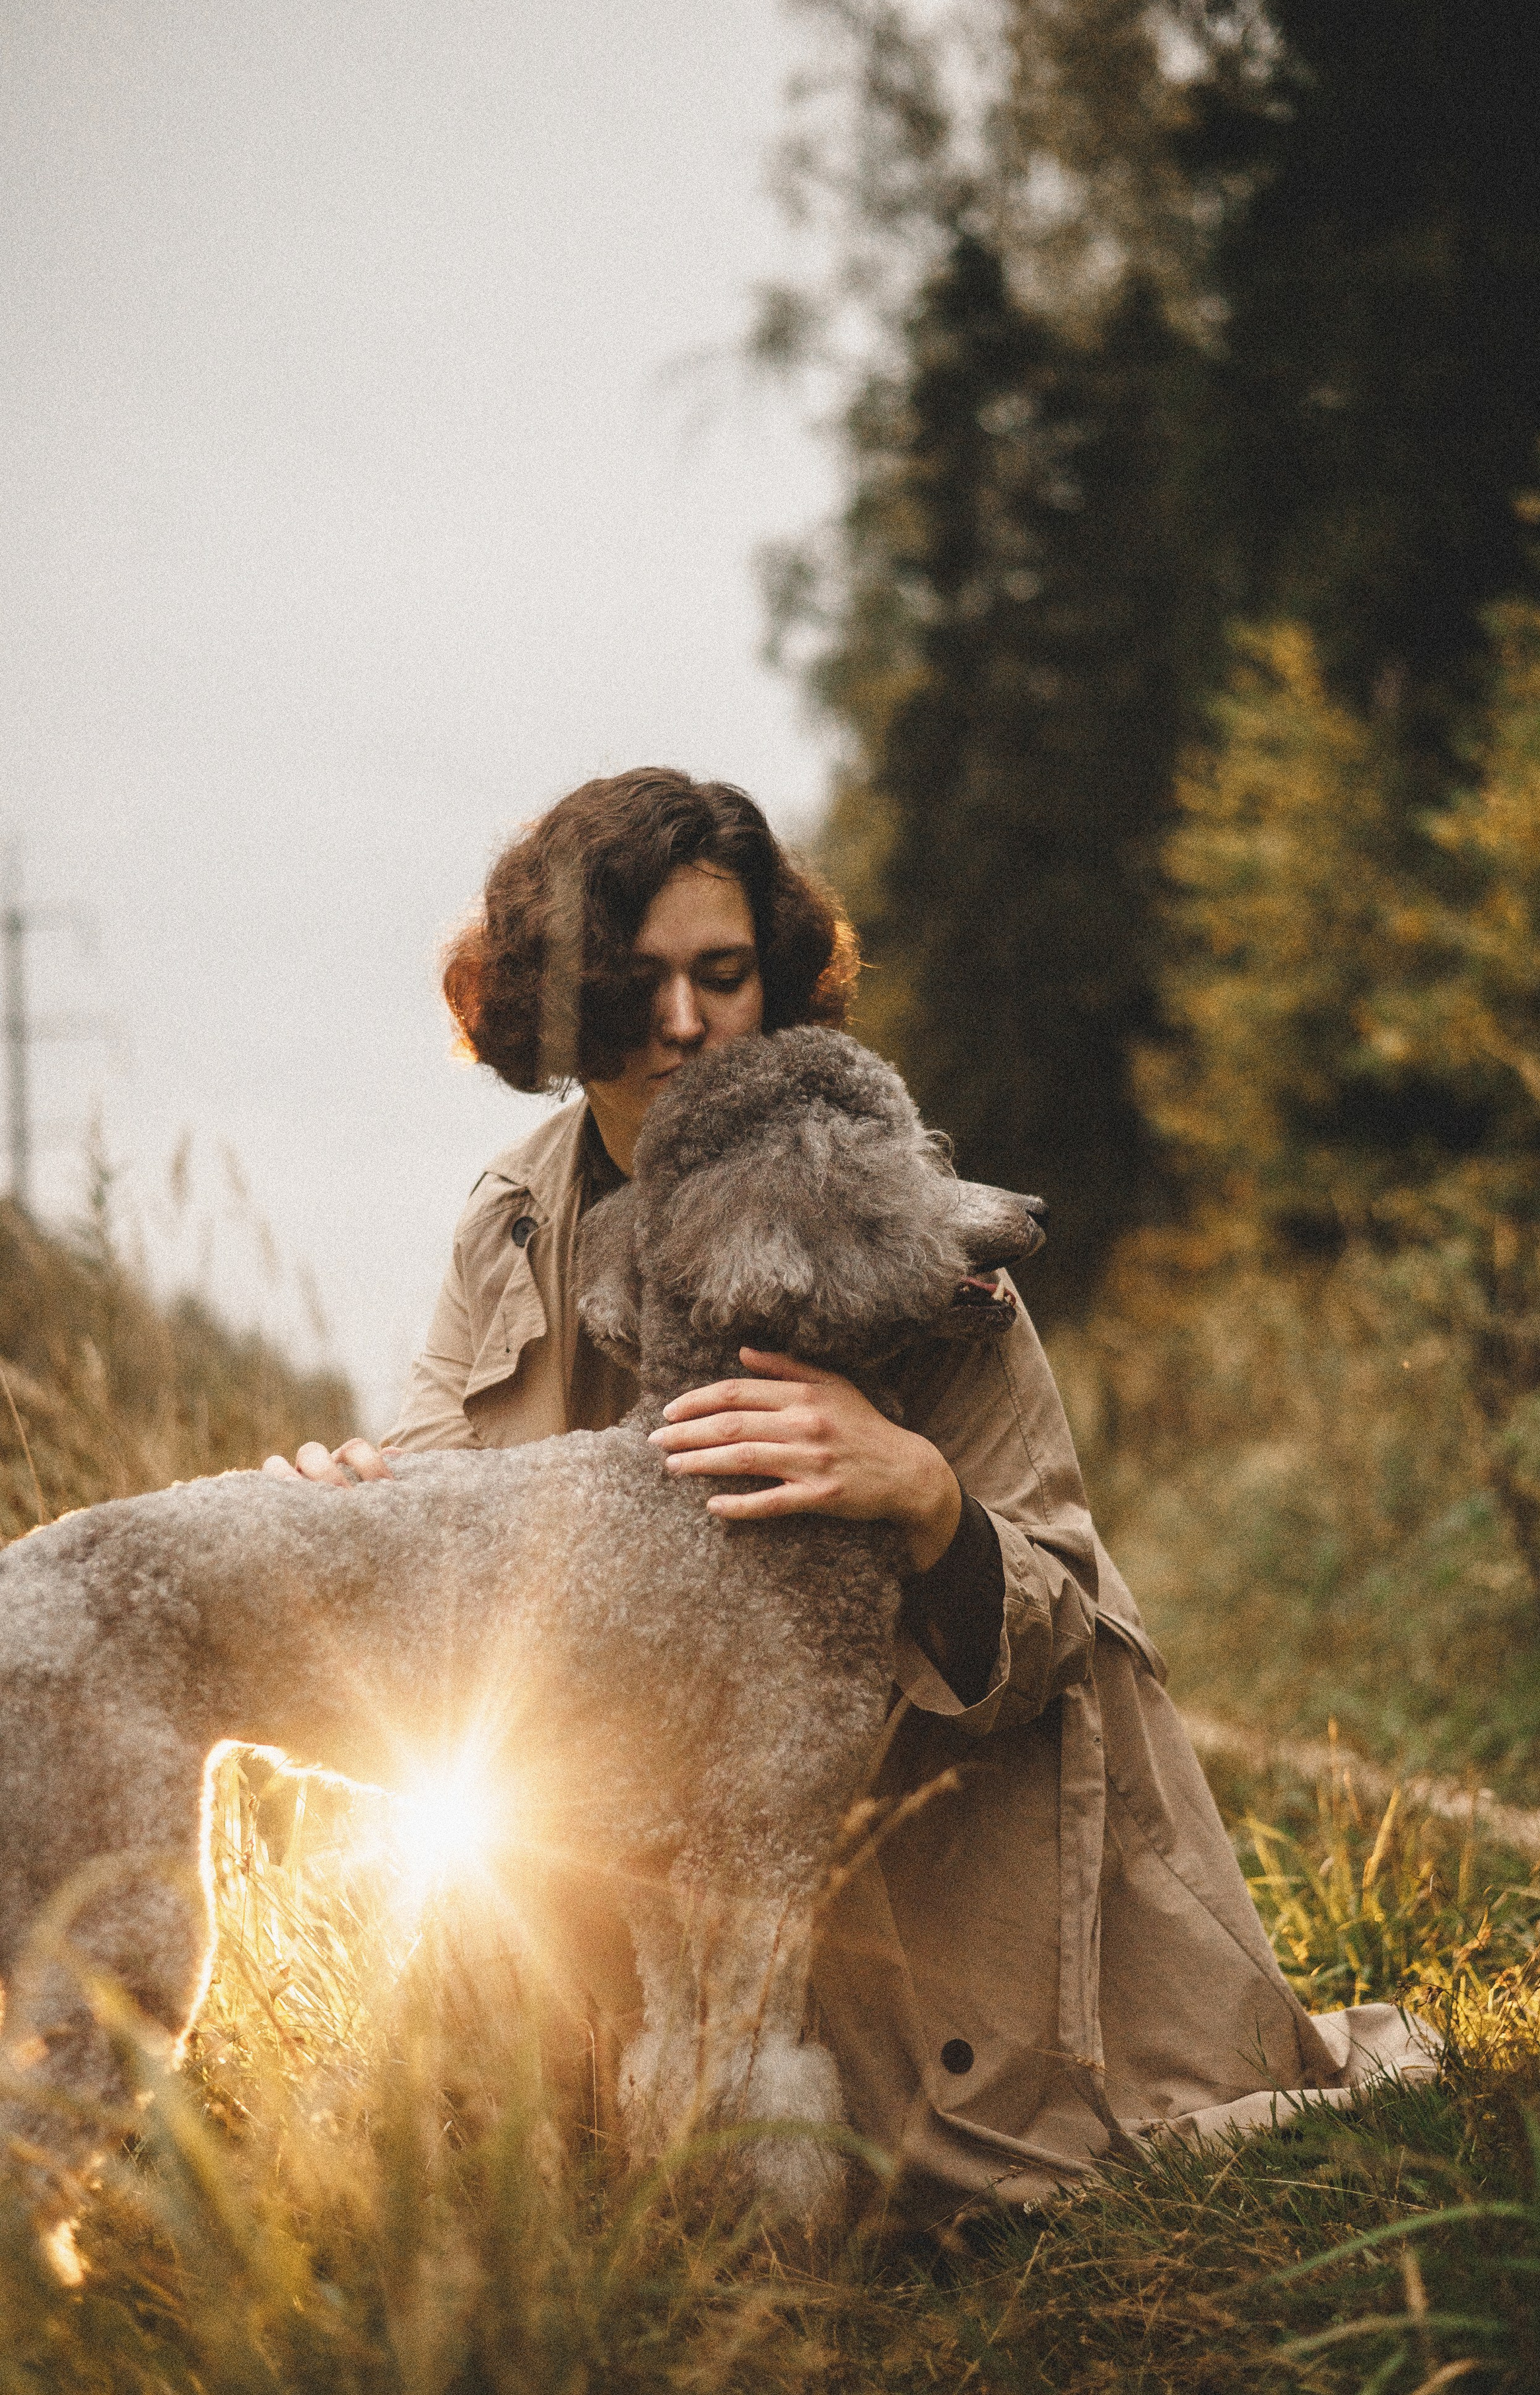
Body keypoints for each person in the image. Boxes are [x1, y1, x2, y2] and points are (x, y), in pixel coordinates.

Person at [270, 766, 1433, 2215]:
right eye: (631, 985)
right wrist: (356, 1511)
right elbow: (459, 1548)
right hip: (636, 1841)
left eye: (721, 973)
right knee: (484, 2165)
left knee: (941, 2179)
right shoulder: (510, 1224)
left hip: (923, 1853)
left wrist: (920, 1494)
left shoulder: (896, 1221)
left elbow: (1061, 1612)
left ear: (775, 983)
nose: (682, 1024)